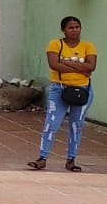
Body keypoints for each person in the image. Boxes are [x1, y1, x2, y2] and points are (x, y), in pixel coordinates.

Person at [30, 15, 96, 171]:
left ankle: (71, 159)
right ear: (63, 30)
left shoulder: (88, 46)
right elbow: (54, 65)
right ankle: (42, 157)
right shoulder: (55, 44)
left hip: (82, 90)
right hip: (59, 89)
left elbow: (91, 67)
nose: (74, 30)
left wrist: (65, 62)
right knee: (52, 123)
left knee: (76, 125)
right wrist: (80, 67)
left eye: (77, 27)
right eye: (70, 27)